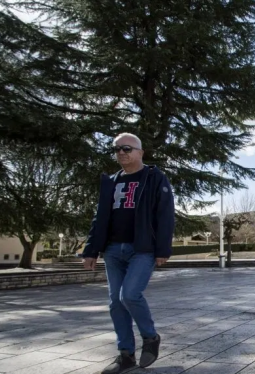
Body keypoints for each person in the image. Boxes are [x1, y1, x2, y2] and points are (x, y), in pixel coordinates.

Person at [81, 133, 175, 374]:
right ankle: (125, 355)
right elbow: (99, 218)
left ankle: (150, 337)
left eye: (127, 148)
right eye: (117, 149)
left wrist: (163, 249)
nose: (122, 152)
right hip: (113, 249)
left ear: (140, 152)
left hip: (142, 249)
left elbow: (165, 216)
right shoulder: (111, 181)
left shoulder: (154, 178)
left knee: (130, 295)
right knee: (115, 303)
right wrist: (90, 250)